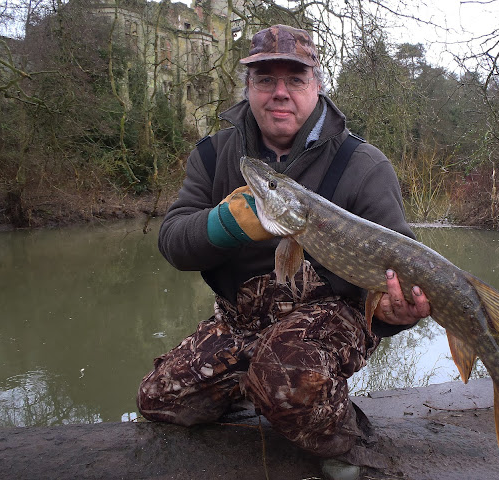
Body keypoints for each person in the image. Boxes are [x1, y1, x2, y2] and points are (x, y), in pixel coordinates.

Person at [137, 24, 431, 479]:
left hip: (334, 318)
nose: (280, 93)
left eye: (295, 79)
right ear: (249, 88)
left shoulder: (364, 165)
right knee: (160, 399)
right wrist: (224, 224)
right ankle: (268, 392)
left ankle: (345, 441)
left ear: (316, 86)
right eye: (264, 79)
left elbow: (397, 270)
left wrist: (396, 314)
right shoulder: (215, 156)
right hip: (242, 319)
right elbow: (173, 242)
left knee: (287, 374)